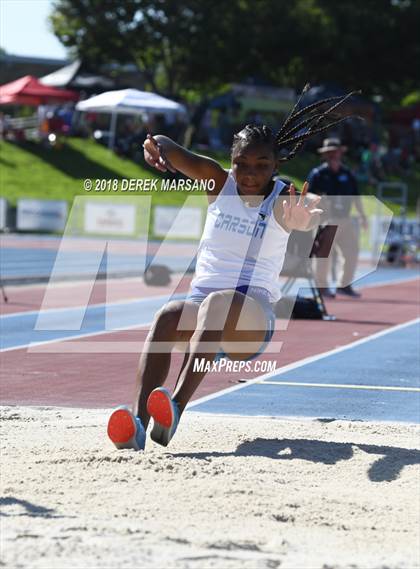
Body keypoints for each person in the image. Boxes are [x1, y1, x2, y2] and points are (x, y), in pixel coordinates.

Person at [106, 90, 355, 451]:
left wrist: (307, 220)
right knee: (166, 317)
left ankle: (175, 406)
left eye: (261, 165)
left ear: (276, 166)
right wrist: (154, 146)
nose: (250, 174)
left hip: (250, 322)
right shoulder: (216, 182)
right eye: (242, 164)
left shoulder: (284, 197)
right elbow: (169, 146)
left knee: (218, 304)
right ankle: (138, 426)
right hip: (202, 310)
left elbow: (315, 214)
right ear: (231, 161)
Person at [307, 137, 368, 298]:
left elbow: (356, 196)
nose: (333, 155)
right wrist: (319, 199)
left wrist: (362, 216)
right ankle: (321, 287)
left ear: (341, 153)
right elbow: (307, 194)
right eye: (330, 152)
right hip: (326, 219)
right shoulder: (318, 174)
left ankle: (344, 285)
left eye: (336, 151)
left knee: (352, 252)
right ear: (325, 155)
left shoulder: (347, 174)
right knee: (323, 255)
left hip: (345, 219)